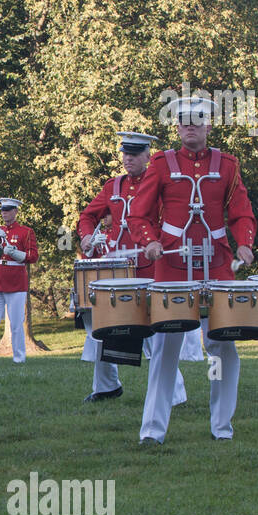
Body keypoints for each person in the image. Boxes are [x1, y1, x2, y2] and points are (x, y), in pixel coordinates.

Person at [127, 97, 256, 445]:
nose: (189, 127)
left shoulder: (227, 165)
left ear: (209, 125)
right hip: (170, 266)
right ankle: (152, 432)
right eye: (183, 122)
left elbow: (241, 212)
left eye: (197, 121)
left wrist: (244, 242)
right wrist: (149, 241)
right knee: (165, 348)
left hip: (216, 265)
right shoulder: (161, 164)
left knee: (222, 348)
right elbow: (138, 214)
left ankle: (222, 428)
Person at [76, 132, 186, 406]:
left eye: (135, 155)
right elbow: (88, 216)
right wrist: (87, 235)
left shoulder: (161, 184)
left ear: (148, 156)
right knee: (103, 327)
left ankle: (174, 393)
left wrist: (156, 242)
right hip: (114, 267)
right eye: (125, 154)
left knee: (154, 333)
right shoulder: (114, 186)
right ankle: (106, 386)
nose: (128, 159)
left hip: (148, 267)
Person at [0, 198, 38, 363]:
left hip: (16, 282)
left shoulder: (26, 232)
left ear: (16, 211)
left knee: (16, 323)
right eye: (3, 210)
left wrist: (17, 253)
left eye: (8, 210)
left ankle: (19, 357)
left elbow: (33, 256)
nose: (4, 213)